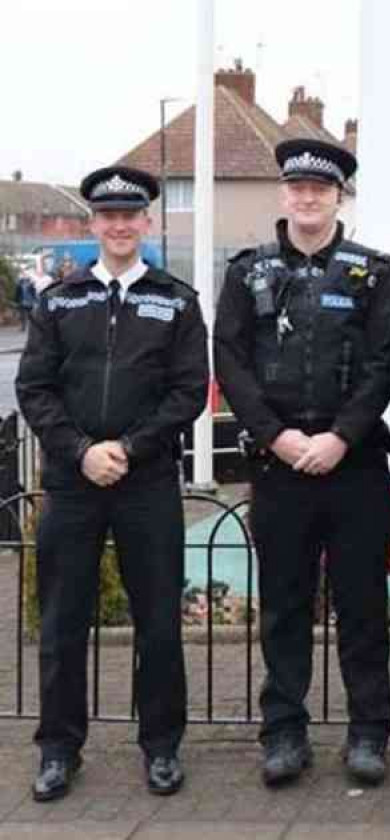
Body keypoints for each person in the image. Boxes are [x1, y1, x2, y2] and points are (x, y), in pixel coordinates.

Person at [16, 165, 209, 801]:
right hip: (73, 485)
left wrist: (126, 449)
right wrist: (80, 451)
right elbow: (35, 390)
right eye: (109, 216)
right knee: (62, 621)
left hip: (146, 481)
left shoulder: (177, 301)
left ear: (147, 223)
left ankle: (161, 747)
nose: (120, 226)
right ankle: (57, 749)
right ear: (93, 223)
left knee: (158, 623)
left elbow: (188, 392)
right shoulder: (58, 301)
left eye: (132, 215)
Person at [214, 138, 390, 788]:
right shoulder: (247, 271)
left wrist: (342, 437)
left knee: (362, 606)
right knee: (285, 608)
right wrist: (276, 437)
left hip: (354, 466)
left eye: (321, 189)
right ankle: (284, 733)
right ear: (283, 194)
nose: (308, 197)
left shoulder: (374, 272)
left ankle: (369, 731)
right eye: (297, 187)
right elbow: (230, 361)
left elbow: (387, 363)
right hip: (279, 465)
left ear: (339, 197)